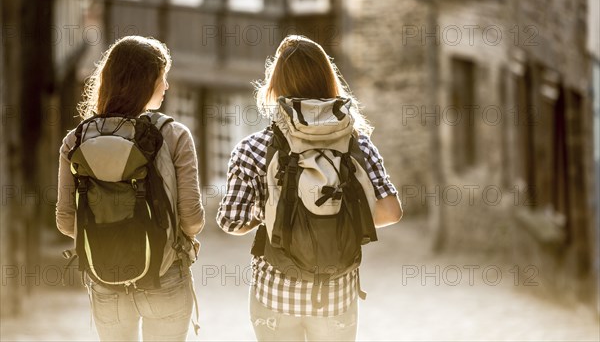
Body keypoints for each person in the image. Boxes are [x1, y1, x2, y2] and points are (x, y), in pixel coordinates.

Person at [217, 35, 403, 341]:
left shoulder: (253, 148)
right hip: (336, 294)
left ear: (275, 87)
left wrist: (273, 210)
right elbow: (391, 212)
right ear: (328, 80)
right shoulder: (358, 143)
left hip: (274, 293)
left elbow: (231, 221)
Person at [56, 35, 204, 341]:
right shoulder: (174, 135)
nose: (166, 86)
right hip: (165, 279)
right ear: (147, 81)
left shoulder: (76, 140)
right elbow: (192, 220)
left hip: (105, 279)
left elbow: (66, 221)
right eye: (162, 77)